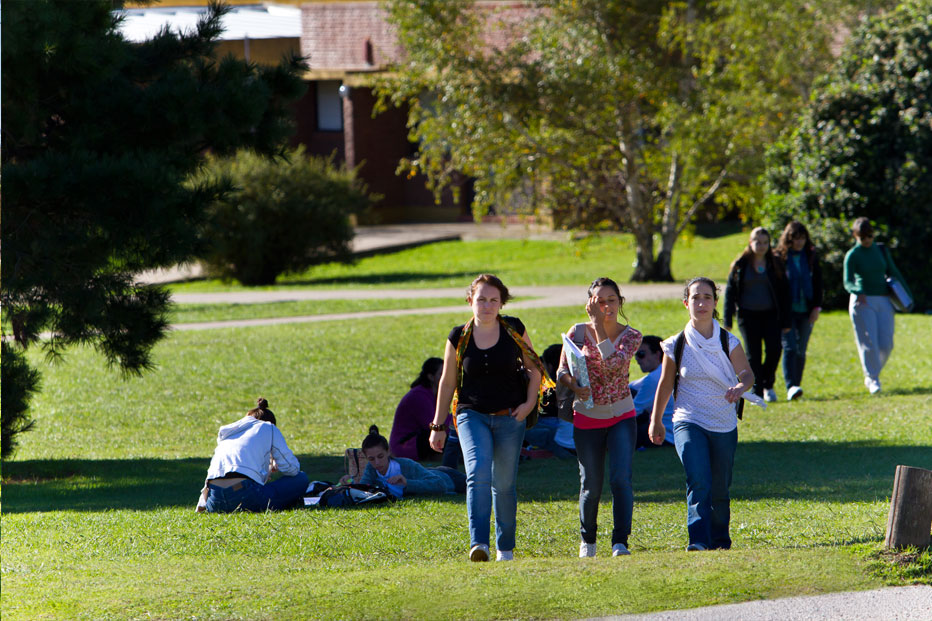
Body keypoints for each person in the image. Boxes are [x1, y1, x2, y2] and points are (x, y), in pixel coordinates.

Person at [428, 274, 551, 562]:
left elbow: (535, 369)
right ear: (470, 300)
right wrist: (438, 425)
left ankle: (504, 548)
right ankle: (478, 543)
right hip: (472, 415)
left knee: (505, 483)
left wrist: (529, 402)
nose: (487, 305)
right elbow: (447, 382)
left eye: (493, 300)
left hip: (510, 415)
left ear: (501, 303)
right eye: (481, 299)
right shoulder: (458, 336)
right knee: (478, 473)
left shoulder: (514, 328)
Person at [649, 277, 754, 551]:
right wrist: (656, 420)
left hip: (723, 424)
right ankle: (698, 540)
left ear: (715, 302)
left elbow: (746, 373)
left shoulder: (727, 341)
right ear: (686, 303)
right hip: (688, 420)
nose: (701, 303)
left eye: (707, 297)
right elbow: (665, 383)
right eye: (695, 297)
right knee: (698, 479)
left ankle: (720, 541)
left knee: (719, 488)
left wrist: (741, 386)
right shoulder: (676, 344)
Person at [557, 277, 642, 558]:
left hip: (621, 415)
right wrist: (572, 384)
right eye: (599, 301)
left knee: (621, 479)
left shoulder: (631, 336)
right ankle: (588, 541)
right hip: (587, 417)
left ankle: (620, 542)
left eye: (611, 300)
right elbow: (561, 371)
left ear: (620, 302)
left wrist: (598, 327)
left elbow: (614, 365)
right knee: (591, 484)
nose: (606, 306)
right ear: (589, 303)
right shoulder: (577, 332)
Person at [196, 398, 309, 513]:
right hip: (245, 495)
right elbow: (292, 469)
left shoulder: (228, 434)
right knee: (301, 478)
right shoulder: (269, 428)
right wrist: (274, 462)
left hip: (215, 500)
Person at [843, 217, 912, 395]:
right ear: (855, 236)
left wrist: (907, 294)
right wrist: (858, 290)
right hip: (863, 302)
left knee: (886, 343)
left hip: (883, 299)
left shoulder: (880, 250)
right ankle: (873, 379)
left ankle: (872, 373)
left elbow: (893, 271)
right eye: (863, 237)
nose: (867, 240)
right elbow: (847, 281)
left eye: (870, 236)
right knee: (869, 343)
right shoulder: (853, 255)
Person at [723, 227, 789, 402]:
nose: (761, 246)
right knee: (754, 353)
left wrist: (787, 320)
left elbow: (784, 293)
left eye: (765, 242)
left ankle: (768, 383)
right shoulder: (741, 264)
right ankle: (758, 390)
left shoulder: (775, 263)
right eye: (757, 242)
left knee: (775, 349)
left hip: (771, 314)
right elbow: (730, 292)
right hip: (748, 315)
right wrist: (728, 318)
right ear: (750, 243)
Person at [773, 221, 823, 401]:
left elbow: (818, 282)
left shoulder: (809, 256)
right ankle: (790, 386)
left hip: (807, 309)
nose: (799, 242)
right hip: (787, 312)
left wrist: (817, 307)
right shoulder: (780, 257)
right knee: (790, 347)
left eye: (802, 238)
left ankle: (797, 385)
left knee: (801, 349)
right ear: (789, 238)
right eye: (796, 238)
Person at [346, 425, 466, 497]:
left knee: (481, 486)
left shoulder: (406, 465)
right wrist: (349, 485)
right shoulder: (371, 469)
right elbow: (363, 491)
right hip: (432, 472)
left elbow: (440, 485)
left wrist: (407, 483)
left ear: (388, 452)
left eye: (380, 456)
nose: (377, 462)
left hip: (449, 477)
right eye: (371, 459)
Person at [522, 343, 577, 459]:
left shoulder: (558, 386)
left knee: (520, 427)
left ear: (551, 367)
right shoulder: (581, 381)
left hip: (565, 445)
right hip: (590, 441)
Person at [389, 357, 446, 462]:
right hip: (404, 446)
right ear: (431, 377)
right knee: (441, 436)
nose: (446, 377)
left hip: (414, 442)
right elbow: (432, 424)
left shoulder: (433, 395)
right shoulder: (419, 395)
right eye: (441, 374)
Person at [630, 335, 674, 448]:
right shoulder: (666, 371)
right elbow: (634, 385)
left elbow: (632, 413)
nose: (637, 359)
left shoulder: (653, 379)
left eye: (641, 354)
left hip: (665, 436)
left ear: (657, 354)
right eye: (636, 355)